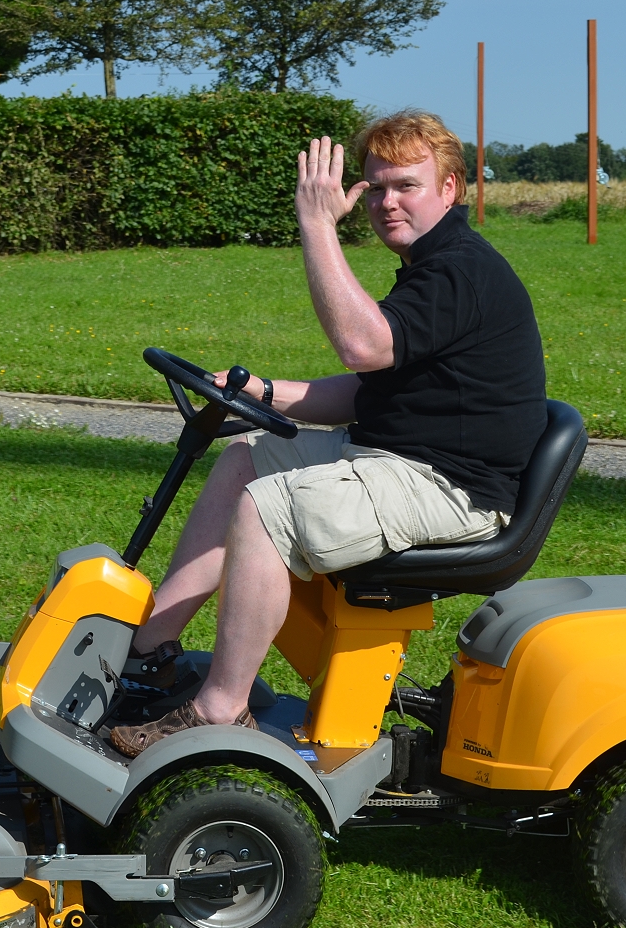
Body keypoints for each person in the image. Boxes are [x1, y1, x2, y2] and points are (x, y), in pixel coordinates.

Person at [110, 110, 547, 758]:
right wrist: (260, 391)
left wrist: (316, 225)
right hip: (401, 461)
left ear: (450, 188)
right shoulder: (432, 266)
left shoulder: (460, 271)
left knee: (267, 507)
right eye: (377, 188)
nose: (388, 202)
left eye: (407, 185)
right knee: (246, 461)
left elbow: (363, 346)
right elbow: (369, 389)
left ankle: (220, 709)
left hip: (452, 489)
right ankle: (149, 655)